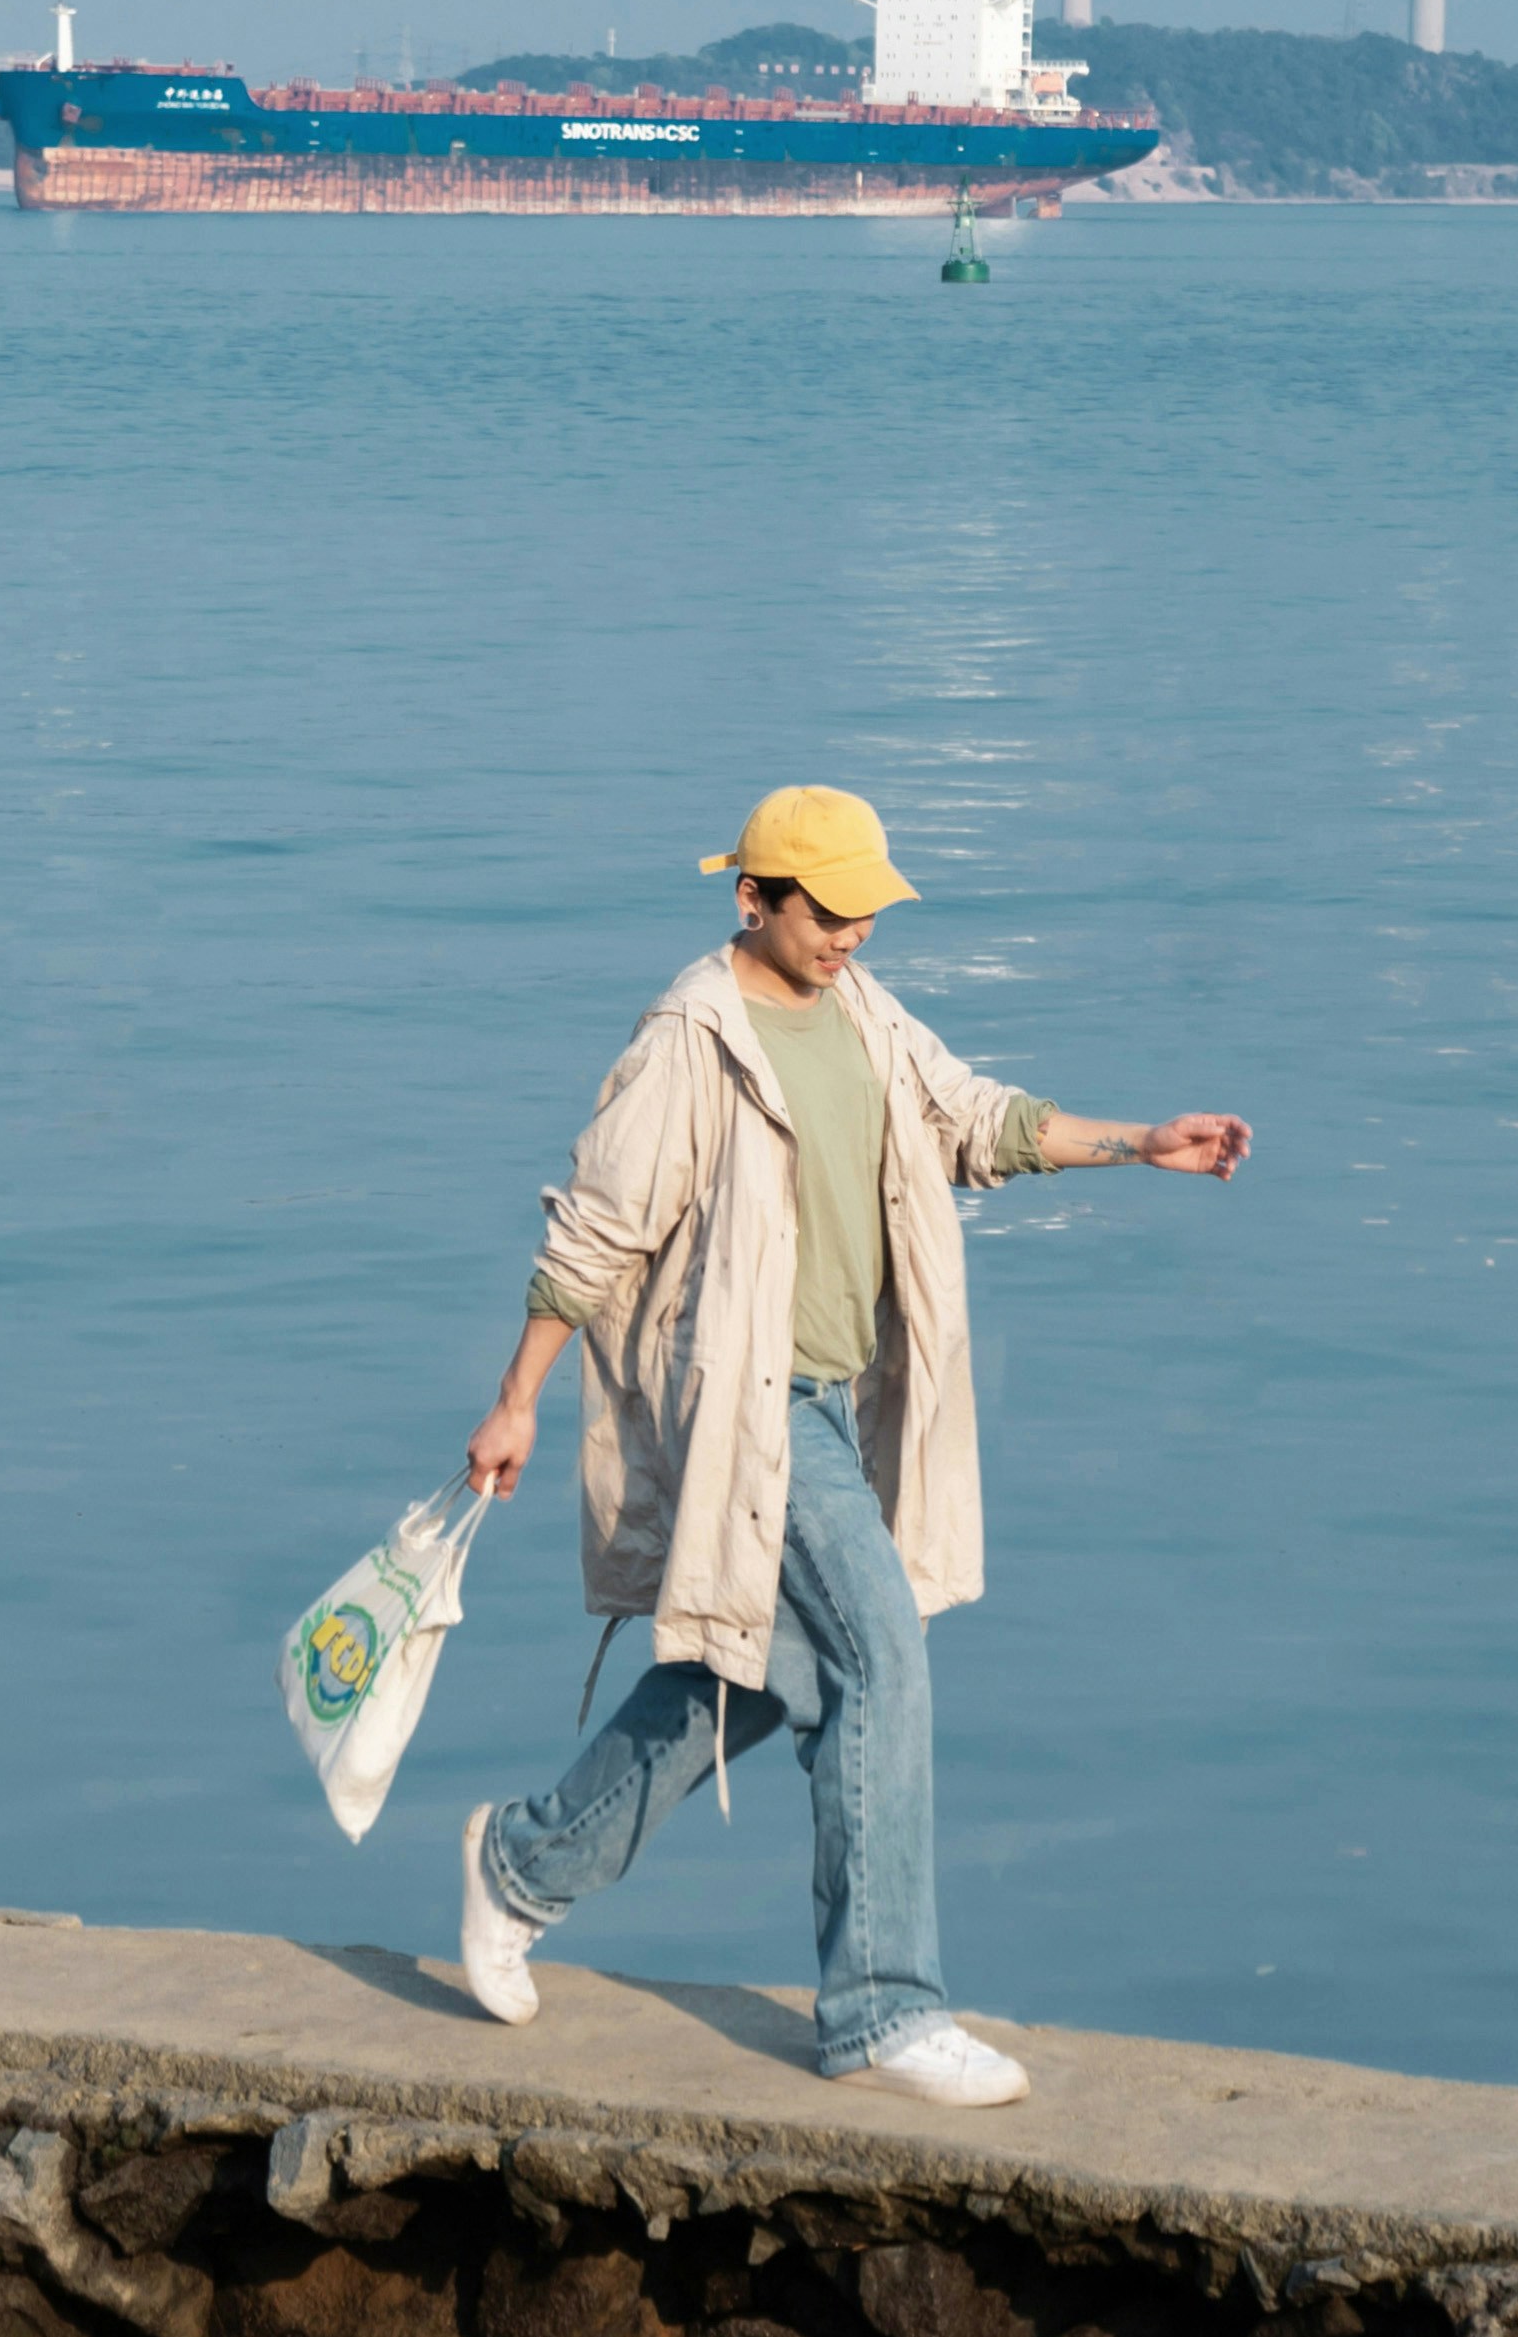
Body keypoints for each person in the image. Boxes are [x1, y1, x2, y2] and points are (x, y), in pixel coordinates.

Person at [446, 786, 1248, 2104]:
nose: (855, 933)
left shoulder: (866, 1018)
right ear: (752, 897)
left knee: (759, 1680)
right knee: (881, 1657)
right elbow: (593, 1233)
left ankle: (521, 1867)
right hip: (746, 1416)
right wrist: (517, 1398)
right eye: (829, 909)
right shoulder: (688, 1041)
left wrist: (1138, 1143)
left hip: (838, 1403)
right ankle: (880, 2006)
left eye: (868, 908)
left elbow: (974, 1119)